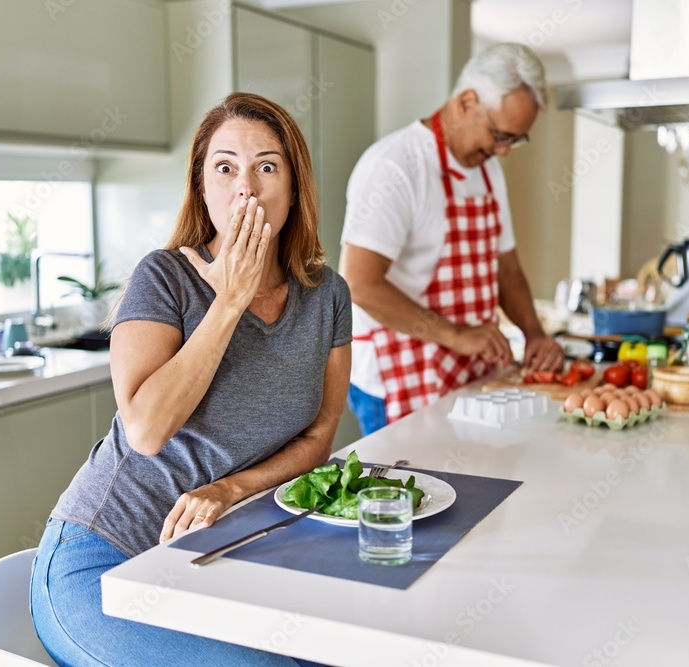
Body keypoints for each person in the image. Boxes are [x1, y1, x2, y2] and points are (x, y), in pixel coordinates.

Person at [30, 92, 351, 667]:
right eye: (224, 168)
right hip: (106, 560)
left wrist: (227, 490)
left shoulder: (327, 294)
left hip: (220, 555)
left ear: (294, 186)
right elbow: (148, 430)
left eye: (266, 167)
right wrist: (228, 302)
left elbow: (320, 437)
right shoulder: (165, 277)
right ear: (203, 188)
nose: (245, 188)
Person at [340, 43, 565, 435]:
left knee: (472, 486)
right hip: (397, 371)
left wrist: (535, 334)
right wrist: (456, 335)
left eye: (515, 140)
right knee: (406, 492)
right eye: (499, 135)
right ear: (465, 101)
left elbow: (506, 270)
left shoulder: (489, 170)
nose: (504, 152)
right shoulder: (395, 167)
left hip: (467, 365)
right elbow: (359, 284)